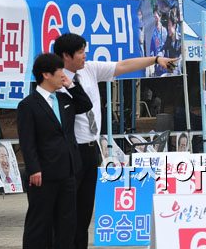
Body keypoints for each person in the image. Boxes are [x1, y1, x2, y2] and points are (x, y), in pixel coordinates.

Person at [53, 33, 176, 249]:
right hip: (69, 151)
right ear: (66, 55)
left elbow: (123, 66)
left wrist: (155, 60)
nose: (84, 56)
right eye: (80, 52)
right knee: (65, 214)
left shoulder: (89, 69)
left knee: (83, 213)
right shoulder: (53, 79)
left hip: (91, 150)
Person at [17, 53, 92, 249]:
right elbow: (27, 141)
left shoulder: (64, 99)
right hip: (43, 173)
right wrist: (33, 168)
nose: (63, 75)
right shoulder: (28, 105)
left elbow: (86, 104)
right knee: (39, 221)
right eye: (59, 71)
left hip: (68, 170)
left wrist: (71, 86)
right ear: (46, 74)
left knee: (67, 221)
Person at [149, 4, 168, 76]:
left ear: (160, 17)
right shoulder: (151, 30)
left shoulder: (164, 30)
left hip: (162, 57)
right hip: (153, 57)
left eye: (156, 17)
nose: (155, 19)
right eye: (154, 17)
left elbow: (165, 45)